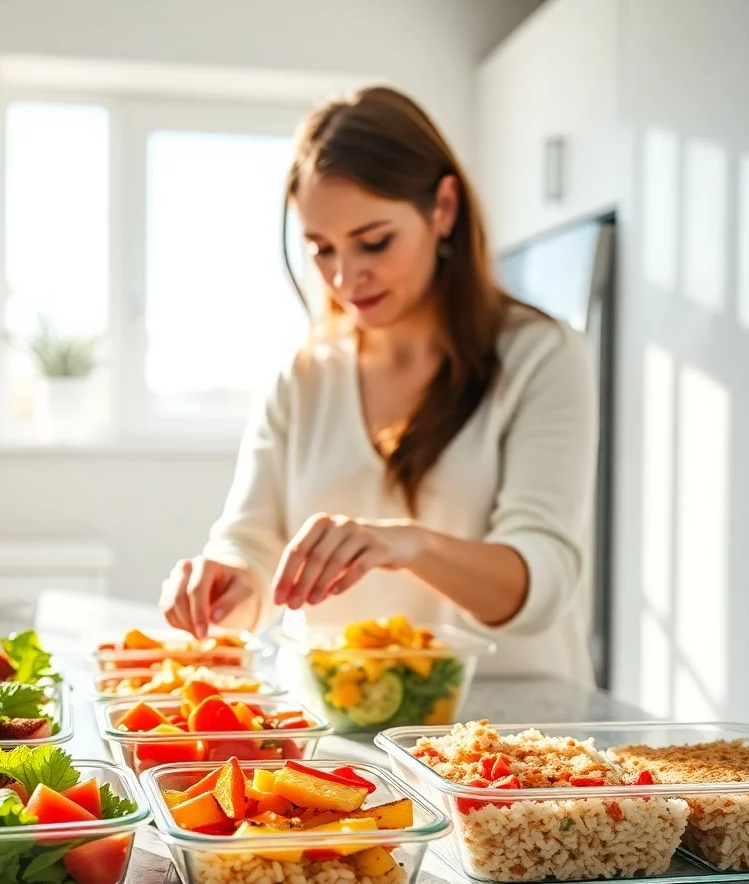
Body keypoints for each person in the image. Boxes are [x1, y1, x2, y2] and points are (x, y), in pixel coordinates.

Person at [159, 86, 598, 686]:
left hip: (507, 743)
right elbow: (250, 546)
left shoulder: (542, 357)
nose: (345, 276)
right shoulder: (304, 375)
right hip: (337, 735)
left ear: (443, 207)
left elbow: (540, 582)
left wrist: (409, 545)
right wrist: (222, 581)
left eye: (374, 241)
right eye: (321, 249)